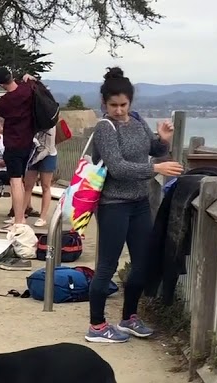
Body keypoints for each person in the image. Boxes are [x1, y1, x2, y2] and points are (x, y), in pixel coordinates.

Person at [84, 66, 184, 344]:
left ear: (131, 103)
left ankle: (129, 317)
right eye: (113, 105)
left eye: (123, 105)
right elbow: (117, 167)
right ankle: (96, 326)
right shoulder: (104, 128)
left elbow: (152, 150)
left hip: (139, 202)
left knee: (142, 262)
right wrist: (155, 167)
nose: (118, 110)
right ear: (104, 103)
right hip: (113, 204)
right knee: (107, 265)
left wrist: (162, 140)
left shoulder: (137, 121)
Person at [0, 66, 42, 227]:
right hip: (28, 142)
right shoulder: (27, 90)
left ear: (0, 84)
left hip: (12, 143)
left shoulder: (3, 102)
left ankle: (19, 219)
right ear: (11, 76)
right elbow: (36, 86)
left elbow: (2, 114)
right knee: (21, 180)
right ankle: (21, 216)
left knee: (15, 181)